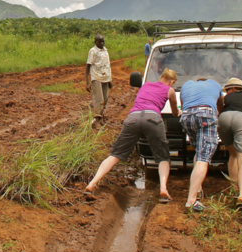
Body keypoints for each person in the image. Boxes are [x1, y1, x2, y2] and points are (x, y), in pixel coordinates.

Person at [85, 69, 180, 203]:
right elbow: (175, 112)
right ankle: (163, 188)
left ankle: (92, 183)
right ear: (171, 82)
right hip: (153, 118)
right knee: (163, 157)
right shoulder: (170, 91)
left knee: (115, 155)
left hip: (133, 118)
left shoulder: (145, 85)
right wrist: (178, 112)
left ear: (161, 77)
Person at [179, 78, 223, 212]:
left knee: (199, 151)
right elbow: (220, 105)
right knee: (204, 157)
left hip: (186, 117)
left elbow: (183, 104)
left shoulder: (186, 85)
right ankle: (191, 201)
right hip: (205, 114)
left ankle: (198, 190)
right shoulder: (215, 84)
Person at [217, 78, 242, 205]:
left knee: (233, 154)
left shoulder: (225, 97)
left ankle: (234, 189)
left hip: (224, 118)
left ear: (233, 89)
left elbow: (220, 109)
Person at [85, 34, 112, 126]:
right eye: (99, 42)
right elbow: (88, 66)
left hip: (105, 77)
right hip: (96, 77)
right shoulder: (92, 51)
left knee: (105, 99)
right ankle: (97, 121)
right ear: (95, 42)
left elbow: (107, 65)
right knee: (99, 99)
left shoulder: (105, 51)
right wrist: (87, 82)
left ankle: (101, 117)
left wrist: (109, 80)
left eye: (103, 41)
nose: (102, 43)